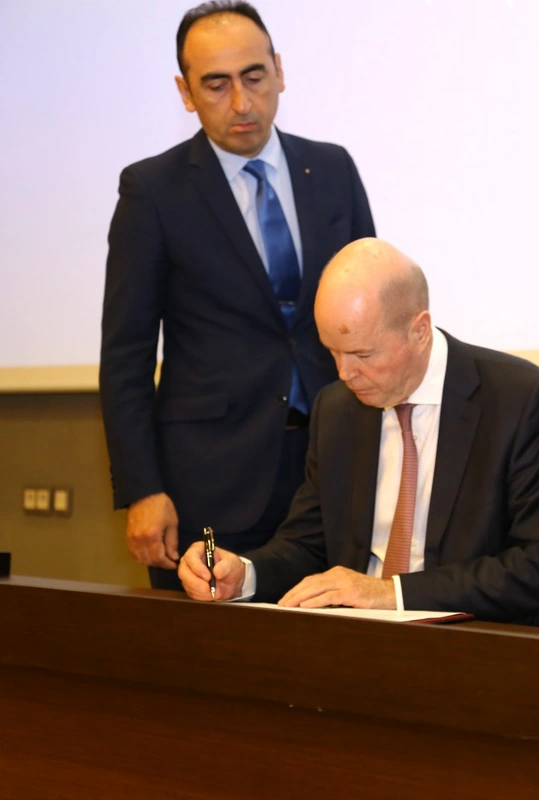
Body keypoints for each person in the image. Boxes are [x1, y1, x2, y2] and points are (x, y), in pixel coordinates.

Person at [100, 1, 375, 589]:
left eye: (254, 77)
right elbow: (125, 357)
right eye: (216, 85)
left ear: (280, 70)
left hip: (335, 471)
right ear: (185, 92)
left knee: (338, 636)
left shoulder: (332, 170)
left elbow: (374, 311)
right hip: (210, 482)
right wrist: (143, 490)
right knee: (210, 643)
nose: (243, 103)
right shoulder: (152, 191)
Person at [179, 238, 539, 628]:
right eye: (332, 352)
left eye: (363, 354)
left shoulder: (518, 399)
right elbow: (308, 544)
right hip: (358, 641)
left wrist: (391, 594)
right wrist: (244, 574)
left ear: (419, 331)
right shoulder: (337, 409)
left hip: (482, 641)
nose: (345, 373)